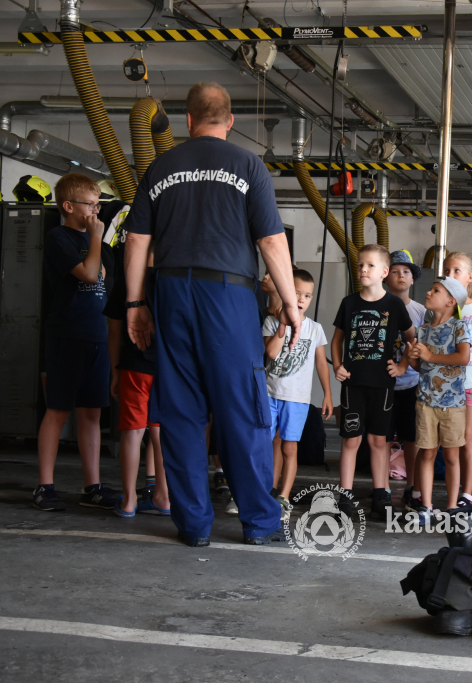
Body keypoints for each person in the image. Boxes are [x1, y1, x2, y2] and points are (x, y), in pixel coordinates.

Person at [123, 82, 301, 547]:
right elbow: (271, 241)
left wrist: (136, 304)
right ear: (230, 120)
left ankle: (193, 525)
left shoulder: (161, 166)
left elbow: (137, 240)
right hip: (228, 295)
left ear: (188, 120)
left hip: (172, 291)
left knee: (180, 411)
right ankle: (259, 523)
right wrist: (289, 303)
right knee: (241, 406)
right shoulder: (248, 165)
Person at [32, 173, 119, 512]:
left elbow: (105, 285)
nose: (96, 211)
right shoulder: (59, 237)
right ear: (68, 206)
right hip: (67, 335)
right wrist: (96, 238)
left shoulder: (102, 246)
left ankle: (91, 486)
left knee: (91, 413)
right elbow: (87, 273)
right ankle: (45, 485)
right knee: (57, 410)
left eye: (98, 205)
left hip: (97, 336)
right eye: (90, 205)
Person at [331, 243, 415, 520]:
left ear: (383, 272)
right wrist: (338, 366)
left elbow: (412, 338)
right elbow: (337, 340)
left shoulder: (394, 304)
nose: (363, 270)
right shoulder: (349, 303)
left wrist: (402, 366)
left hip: (383, 385)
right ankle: (345, 499)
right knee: (351, 440)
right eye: (360, 265)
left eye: (369, 265)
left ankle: (381, 497)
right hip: (352, 384)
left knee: (379, 440)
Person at [107, 237, 170, 517]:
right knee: (160, 432)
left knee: (133, 432)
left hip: (134, 367)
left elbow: (114, 332)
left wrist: (114, 370)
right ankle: (164, 497)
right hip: (166, 369)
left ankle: (129, 501)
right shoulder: (171, 283)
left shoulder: (127, 283)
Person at [263, 269, 332, 515]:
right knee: (266, 444)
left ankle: (283, 496)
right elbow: (271, 353)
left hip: (297, 399)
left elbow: (321, 363)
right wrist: (283, 323)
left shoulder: (315, 329)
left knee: (289, 448)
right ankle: (266, 491)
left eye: (307, 295)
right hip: (270, 394)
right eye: (296, 293)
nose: (302, 299)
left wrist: (327, 394)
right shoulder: (271, 322)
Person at [402, 277, 472, 519]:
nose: (429, 293)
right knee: (427, 453)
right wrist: (412, 357)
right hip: (425, 402)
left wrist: (430, 356)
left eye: (436, 290)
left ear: (451, 301)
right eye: (431, 289)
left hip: (453, 404)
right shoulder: (422, 330)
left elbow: (463, 358)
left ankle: (452, 506)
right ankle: (426, 506)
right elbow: (419, 367)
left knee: (452, 455)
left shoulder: (459, 327)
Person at [442, 252, 472, 511]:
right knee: (447, 442)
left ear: (470, 277)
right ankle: (450, 490)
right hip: (444, 384)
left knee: (467, 439)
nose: (450, 275)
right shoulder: (440, 306)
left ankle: (467, 493)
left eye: (456, 271)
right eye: (446, 271)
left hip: (470, 382)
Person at [384, 250, 427, 510]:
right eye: (395, 271)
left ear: (413, 279)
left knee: (412, 438)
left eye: (406, 272)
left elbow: (420, 345)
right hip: (384, 385)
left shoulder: (421, 311)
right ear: (385, 277)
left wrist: (405, 366)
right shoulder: (378, 307)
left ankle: (412, 487)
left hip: (412, 384)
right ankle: (383, 489)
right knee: (383, 438)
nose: (401, 275)